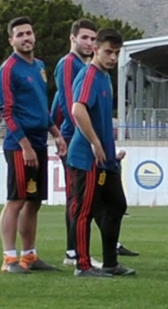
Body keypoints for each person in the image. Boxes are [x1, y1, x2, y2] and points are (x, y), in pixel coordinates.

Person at [0, 16, 67, 273]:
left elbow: (41, 107)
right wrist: (25, 145)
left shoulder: (39, 66)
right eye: (20, 34)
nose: (26, 38)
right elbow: (7, 111)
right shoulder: (8, 69)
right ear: (11, 40)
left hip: (40, 143)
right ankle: (9, 259)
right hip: (20, 146)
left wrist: (56, 133)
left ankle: (29, 256)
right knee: (16, 200)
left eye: (29, 33)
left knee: (34, 201)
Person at [67, 29, 134, 277]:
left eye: (117, 53)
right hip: (86, 158)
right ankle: (82, 265)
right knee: (85, 211)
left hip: (105, 159)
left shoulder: (105, 77)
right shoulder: (89, 76)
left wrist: (109, 150)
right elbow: (77, 110)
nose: (113, 57)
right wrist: (95, 143)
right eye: (108, 52)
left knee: (117, 205)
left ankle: (110, 262)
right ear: (95, 48)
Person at [49, 19, 105, 268]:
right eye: (85, 38)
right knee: (78, 197)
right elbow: (71, 103)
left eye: (93, 39)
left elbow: (57, 102)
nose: (90, 43)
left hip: (73, 135)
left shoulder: (79, 65)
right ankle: (73, 251)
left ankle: (77, 249)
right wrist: (65, 135)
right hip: (76, 138)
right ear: (72, 38)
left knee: (79, 196)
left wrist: (54, 128)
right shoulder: (69, 63)